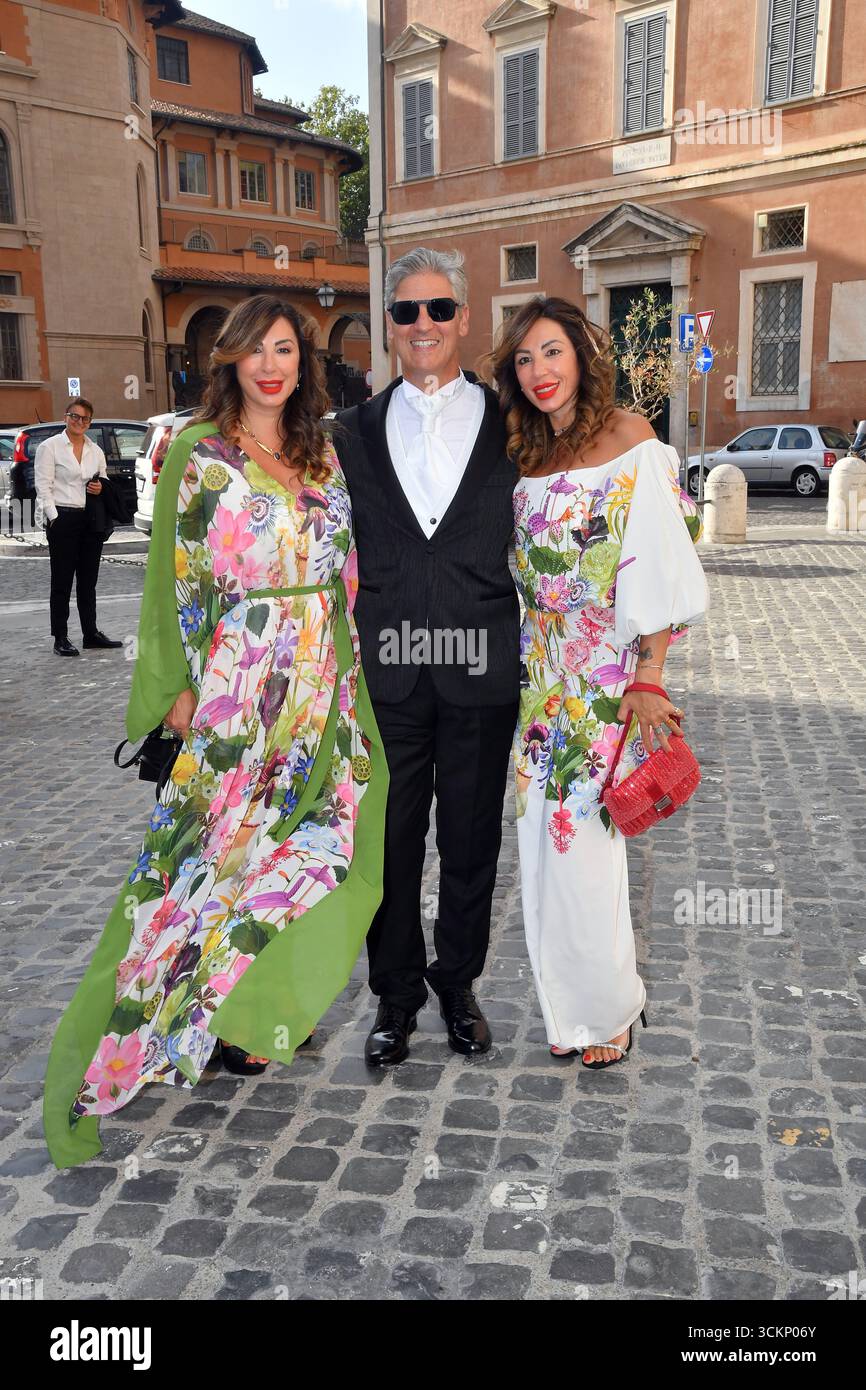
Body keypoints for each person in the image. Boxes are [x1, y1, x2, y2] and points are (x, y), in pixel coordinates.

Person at [43, 295, 387, 1167]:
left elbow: (345, 573)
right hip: (239, 689)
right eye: (254, 350)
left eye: (286, 349)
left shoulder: (320, 451)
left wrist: (342, 677)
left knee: (322, 851)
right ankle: (116, 1052)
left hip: (320, 686)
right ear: (229, 360)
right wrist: (178, 694)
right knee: (194, 869)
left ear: (303, 363)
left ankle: (256, 1005)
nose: (271, 365)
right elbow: (176, 584)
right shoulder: (201, 454)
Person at [488, 297, 708, 1068]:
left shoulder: (631, 438)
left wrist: (650, 675)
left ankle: (610, 1009)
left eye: (551, 352)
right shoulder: (525, 453)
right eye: (523, 360)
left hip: (606, 676)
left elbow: (661, 563)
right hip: (539, 680)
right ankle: (571, 1011)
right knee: (542, 844)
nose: (539, 372)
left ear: (583, 353)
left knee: (585, 841)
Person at [332, 247, 520, 1067]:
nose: (422, 325)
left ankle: (458, 982)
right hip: (389, 672)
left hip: (480, 664)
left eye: (438, 309)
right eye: (405, 311)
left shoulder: (515, 422)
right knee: (391, 842)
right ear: (389, 325)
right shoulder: (349, 434)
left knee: (472, 836)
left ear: (465, 319)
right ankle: (396, 996)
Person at [34, 398, 122, 655]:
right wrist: (53, 516)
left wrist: (100, 486)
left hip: (91, 521)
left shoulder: (95, 450)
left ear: (90, 422)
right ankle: (60, 637)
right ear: (66, 417)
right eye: (74, 416)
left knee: (88, 581)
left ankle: (90, 633)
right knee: (61, 582)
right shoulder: (49, 447)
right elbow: (43, 486)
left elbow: (103, 478)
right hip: (63, 518)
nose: (79, 422)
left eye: (84, 419)